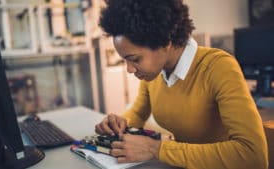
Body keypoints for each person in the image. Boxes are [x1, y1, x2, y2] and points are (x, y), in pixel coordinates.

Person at [95, 0, 268, 169]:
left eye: (135, 59)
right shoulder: (155, 73)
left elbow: (253, 156)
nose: (130, 69)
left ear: (165, 41)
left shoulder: (218, 67)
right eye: (125, 60)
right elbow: (138, 113)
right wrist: (120, 123)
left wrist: (155, 148)